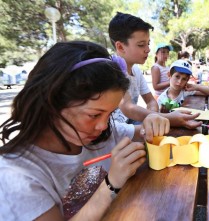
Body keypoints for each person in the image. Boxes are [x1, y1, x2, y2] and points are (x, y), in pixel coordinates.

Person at [0, 41, 170, 220]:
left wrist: (152, 120)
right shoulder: (16, 176)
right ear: (52, 102)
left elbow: (141, 131)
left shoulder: (100, 135)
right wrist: (110, 185)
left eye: (109, 114)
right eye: (94, 115)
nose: (103, 126)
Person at [108, 12, 202, 129]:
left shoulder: (136, 70)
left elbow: (151, 102)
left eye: (148, 44)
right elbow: (127, 107)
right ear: (120, 47)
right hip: (114, 134)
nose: (148, 50)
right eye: (141, 45)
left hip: (132, 126)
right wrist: (167, 118)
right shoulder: (111, 71)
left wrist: (154, 116)